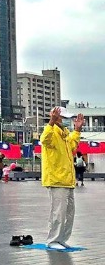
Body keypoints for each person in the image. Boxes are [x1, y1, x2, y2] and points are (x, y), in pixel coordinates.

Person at [41, 107, 82, 250]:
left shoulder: (64, 134)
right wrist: (50, 123)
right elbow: (44, 140)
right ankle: (52, 240)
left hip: (67, 179)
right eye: (61, 117)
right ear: (55, 117)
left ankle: (62, 239)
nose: (63, 120)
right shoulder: (51, 132)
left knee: (69, 212)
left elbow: (73, 145)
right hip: (56, 178)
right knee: (58, 212)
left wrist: (77, 130)